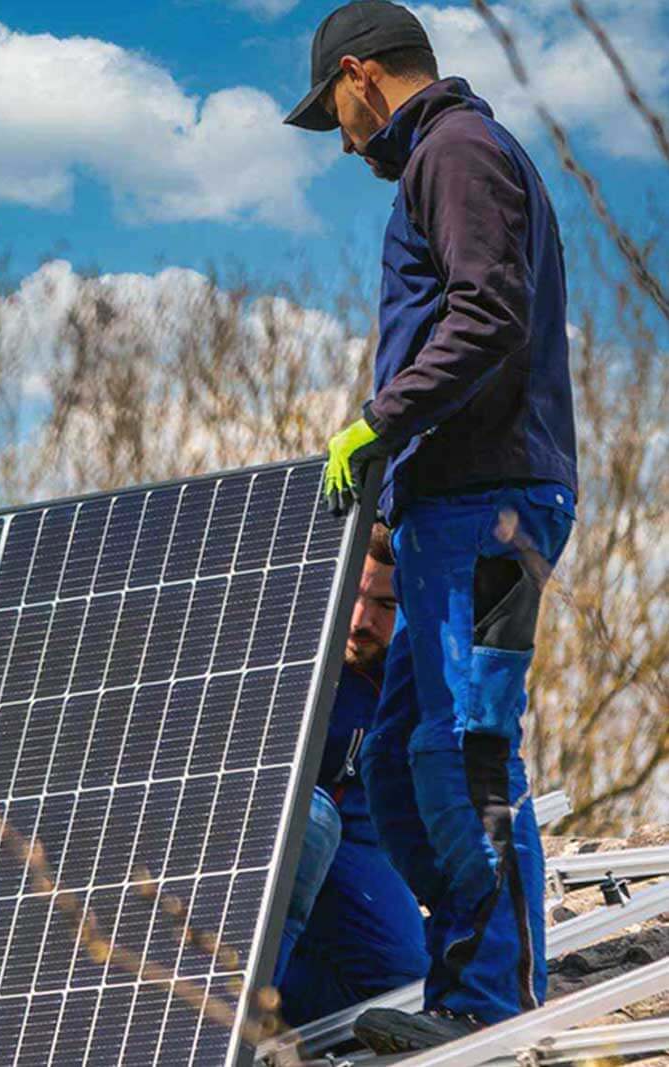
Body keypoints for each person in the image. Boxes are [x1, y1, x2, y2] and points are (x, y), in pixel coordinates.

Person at [284, 0, 577, 1053]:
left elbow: (488, 309)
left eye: (339, 114)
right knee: (406, 757)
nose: (346, 140)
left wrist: (382, 416)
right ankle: (464, 972)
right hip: (443, 512)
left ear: (363, 76)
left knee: (467, 750)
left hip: (492, 508)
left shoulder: (455, 149)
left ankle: (498, 1003)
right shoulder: (438, 161)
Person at [273, 524, 428, 1025]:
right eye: (354, 597)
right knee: (310, 821)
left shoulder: (407, 682)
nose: (361, 620)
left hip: (355, 847)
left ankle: (282, 998)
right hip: (276, 844)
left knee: (403, 986)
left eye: (384, 606)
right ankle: (234, 1017)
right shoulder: (290, 660)